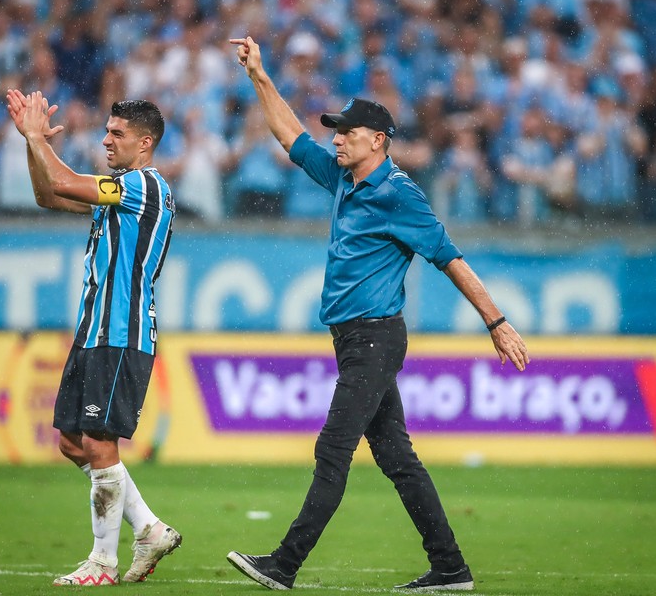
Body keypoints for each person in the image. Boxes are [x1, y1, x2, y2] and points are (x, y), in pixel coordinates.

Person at [226, 36, 530, 592]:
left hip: (375, 338)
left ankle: (284, 563)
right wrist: (260, 77)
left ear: (379, 140)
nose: (335, 138)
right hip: (356, 339)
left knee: (333, 448)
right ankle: (451, 567)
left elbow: (451, 259)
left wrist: (497, 321)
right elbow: (290, 134)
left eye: (346, 131)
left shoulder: (399, 194)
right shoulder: (345, 176)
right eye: (336, 131)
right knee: (398, 459)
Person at [5, 89, 181, 586]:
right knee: (71, 441)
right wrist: (29, 143)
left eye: (117, 134)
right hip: (93, 333)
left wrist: (38, 136)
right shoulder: (116, 190)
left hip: (122, 335)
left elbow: (61, 177)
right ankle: (147, 528)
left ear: (145, 144)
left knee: (100, 443)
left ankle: (102, 564)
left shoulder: (144, 186)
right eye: (106, 130)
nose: (106, 139)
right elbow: (47, 193)